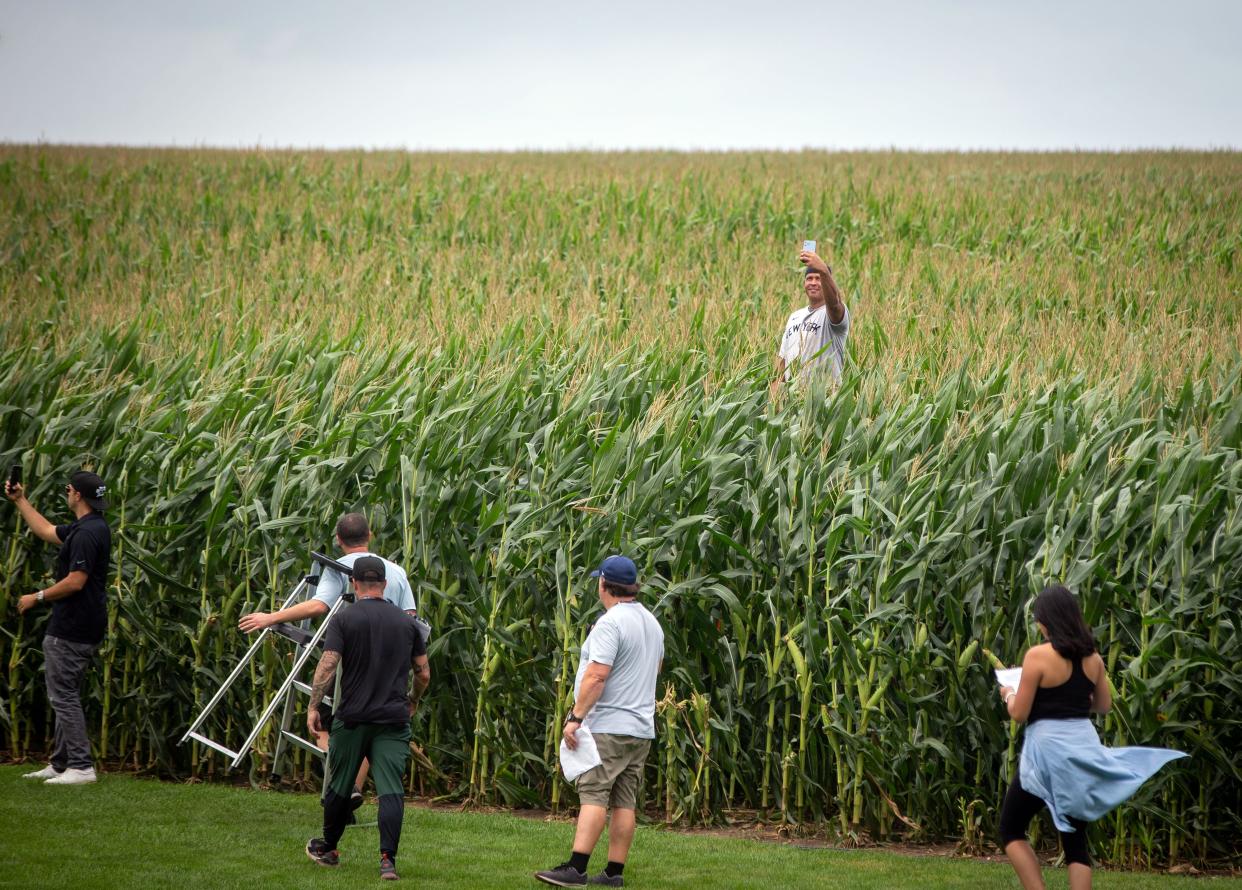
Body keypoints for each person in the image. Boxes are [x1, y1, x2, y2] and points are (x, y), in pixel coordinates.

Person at [997, 585, 1186, 890]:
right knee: (1075, 839)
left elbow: (1019, 713)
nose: (1038, 626)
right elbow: (1104, 705)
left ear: (1047, 621)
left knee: (1011, 828)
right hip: (1081, 749)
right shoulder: (1093, 659)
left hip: (1046, 753)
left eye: (1038, 620)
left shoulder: (1037, 656)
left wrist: (1010, 693)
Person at [239, 511, 416, 802]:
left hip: (352, 653)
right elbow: (410, 616)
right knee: (377, 721)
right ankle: (355, 787)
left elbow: (319, 605)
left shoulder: (338, 567)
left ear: (338, 540)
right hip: (390, 657)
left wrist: (271, 617)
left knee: (322, 715)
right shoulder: (394, 571)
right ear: (370, 535)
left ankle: (341, 779)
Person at [536, 555, 664, 888]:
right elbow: (655, 668)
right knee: (625, 801)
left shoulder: (611, 622)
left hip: (609, 725)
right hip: (641, 728)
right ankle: (613, 873)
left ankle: (576, 869)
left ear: (603, 584)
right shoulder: (652, 622)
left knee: (593, 795)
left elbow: (596, 676)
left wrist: (575, 717)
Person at [303, 556, 430, 881]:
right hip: (392, 719)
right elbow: (424, 673)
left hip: (353, 717)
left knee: (340, 785)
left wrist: (314, 706)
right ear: (385, 585)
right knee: (390, 791)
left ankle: (328, 848)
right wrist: (413, 699)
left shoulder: (345, 619)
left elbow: (328, 664)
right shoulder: (407, 624)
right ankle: (388, 860)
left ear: (355, 584)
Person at [5, 470, 112, 785]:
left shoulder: (86, 534)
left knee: (63, 695)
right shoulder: (91, 526)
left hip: (73, 626)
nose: (67, 493)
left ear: (76, 494)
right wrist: (20, 500)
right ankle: (61, 763)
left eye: (68, 489)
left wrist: (36, 597)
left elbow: (76, 581)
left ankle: (80, 766)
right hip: (83, 624)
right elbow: (48, 531)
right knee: (65, 693)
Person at [772, 248, 850, 394]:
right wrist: (773, 399)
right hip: (793, 398)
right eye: (809, 278)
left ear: (827, 282)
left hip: (824, 399)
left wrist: (824, 270)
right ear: (804, 283)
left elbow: (834, 303)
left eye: (818, 278)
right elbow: (782, 362)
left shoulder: (833, 314)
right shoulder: (794, 316)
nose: (813, 282)